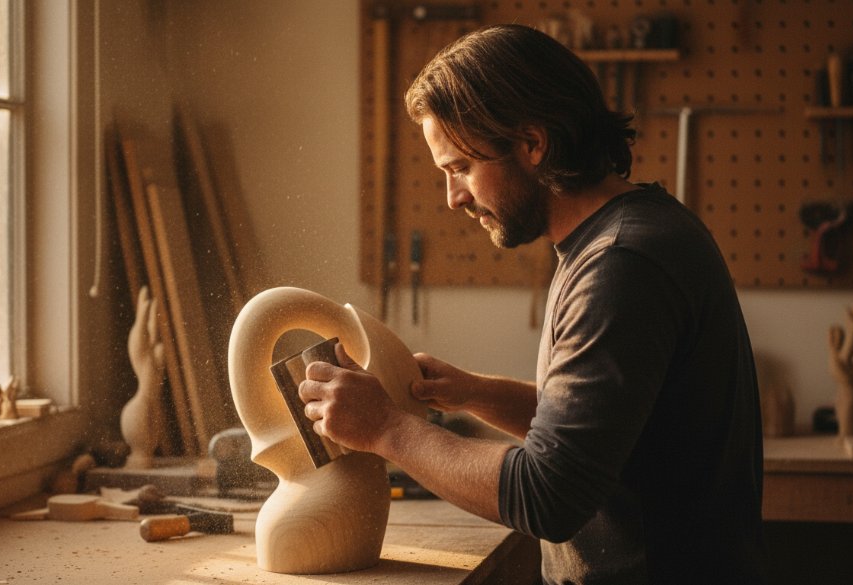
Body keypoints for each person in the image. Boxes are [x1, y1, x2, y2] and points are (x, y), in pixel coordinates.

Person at [298, 23, 765, 584]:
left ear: (533, 144)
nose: (453, 198)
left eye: (461, 169)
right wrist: (471, 393)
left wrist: (385, 430)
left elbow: (549, 494)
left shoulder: (622, 264)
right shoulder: (628, 234)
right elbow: (601, 437)